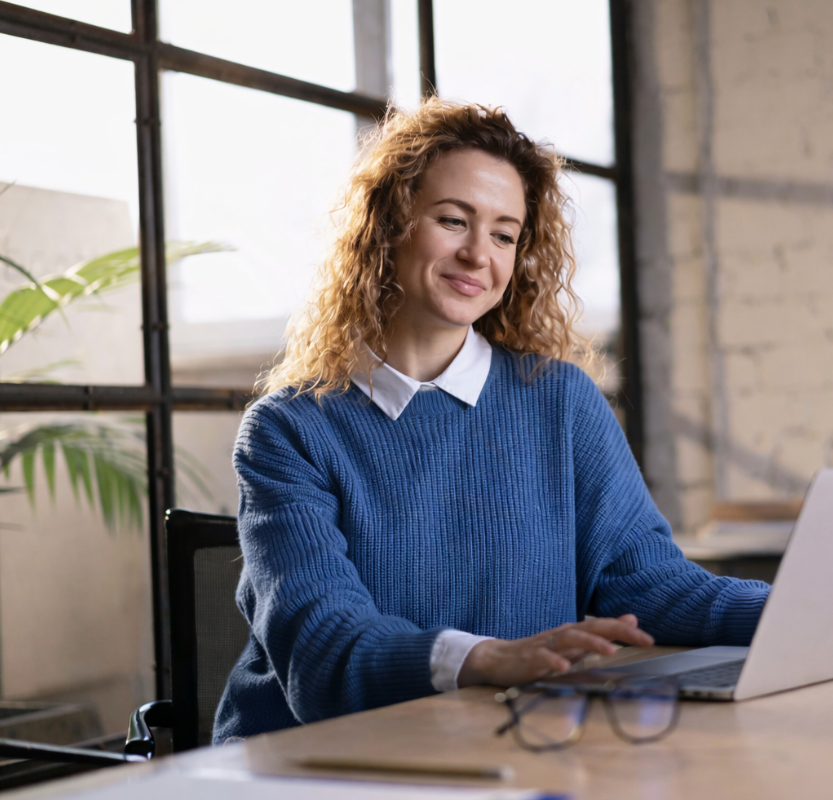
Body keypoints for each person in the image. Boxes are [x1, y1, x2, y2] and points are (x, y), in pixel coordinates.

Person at [212, 99, 773, 743]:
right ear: (386, 226)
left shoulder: (561, 401)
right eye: (453, 221)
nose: (480, 254)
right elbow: (323, 651)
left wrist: (802, 611)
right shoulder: (290, 430)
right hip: (315, 763)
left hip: (504, 738)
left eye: (505, 234)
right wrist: (488, 659)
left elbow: (649, 584)